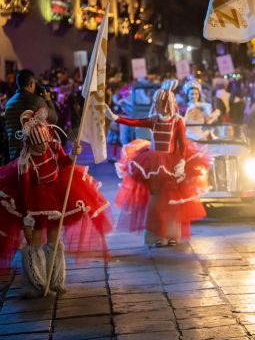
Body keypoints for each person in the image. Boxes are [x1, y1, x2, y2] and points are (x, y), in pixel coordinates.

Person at [0, 108, 112, 297]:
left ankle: (56, 279)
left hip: (56, 195)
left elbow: (63, 163)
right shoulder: (25, 162)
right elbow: (25, 191)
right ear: (30, 144)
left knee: (55, 236)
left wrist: (73, 154)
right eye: (39, 146)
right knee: (34, 240)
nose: (43, 148)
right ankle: (37, 282)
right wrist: (27, 218)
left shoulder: (52, 145)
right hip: (34, 201)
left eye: (44, 143)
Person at [106, 80, 209, 247]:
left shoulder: (177, 121)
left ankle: (172, 235)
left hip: (171, 163)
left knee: (171, 202)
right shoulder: (154, 119)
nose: (159, 105)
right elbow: (135, 122)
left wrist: (181, 161)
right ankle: (157, 235)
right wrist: (115, 118)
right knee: (155, 201)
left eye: (161, 102)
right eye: (158, 102)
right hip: (153, 164)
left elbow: (181, 144)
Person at [4, 69, 58, 161]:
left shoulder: (9, 103)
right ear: (31, 84)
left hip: (14, 156)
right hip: (33, 157)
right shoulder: (37, 100)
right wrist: (48, 100)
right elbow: (54, 118)